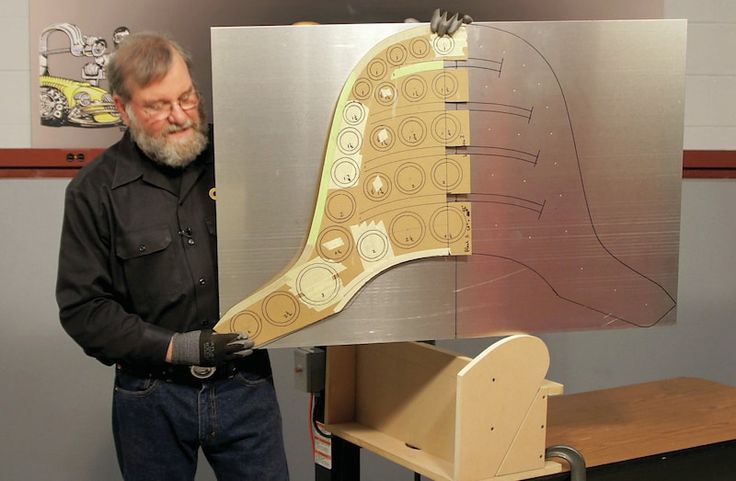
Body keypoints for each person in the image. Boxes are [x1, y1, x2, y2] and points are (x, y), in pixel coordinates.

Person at [56, 33, 289, 481]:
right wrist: (178, 347)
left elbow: (332, 135)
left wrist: (434, 52)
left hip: (245, 384)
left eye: (187, 97)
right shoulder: (94, 191)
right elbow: (83, 311)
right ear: (123, 110)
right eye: (159, 106)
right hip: (149, 395)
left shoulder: (242, 156)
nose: (181, 116)